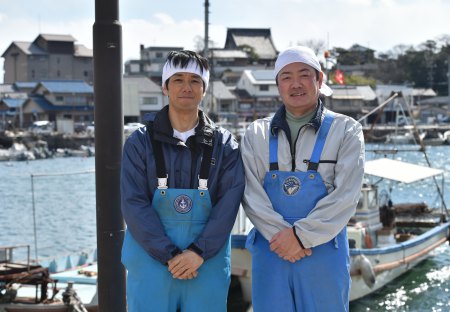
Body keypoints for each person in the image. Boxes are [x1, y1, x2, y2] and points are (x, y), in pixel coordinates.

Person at [241, 46, 365, 311]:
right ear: (277, 85)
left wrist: (300, 238)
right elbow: (250, 193)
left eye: (304, 75)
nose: (295, 84)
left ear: (319, 80)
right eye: (286, 77)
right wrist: (283, 238)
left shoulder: (347, 130)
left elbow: (347, 195)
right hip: (272, 250)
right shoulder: (255, 134)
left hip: (323, 253)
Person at [120, 50, 245, 312]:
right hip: (150, 261)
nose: (186, 87)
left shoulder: (225, 144)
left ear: (204, 89)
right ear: (165, 87)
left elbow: (229, 204)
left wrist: (197, 253)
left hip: (205, 264)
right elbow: (134, 204)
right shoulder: (139, 142)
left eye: (195, 80)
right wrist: (171, 255)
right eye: (178, 79)